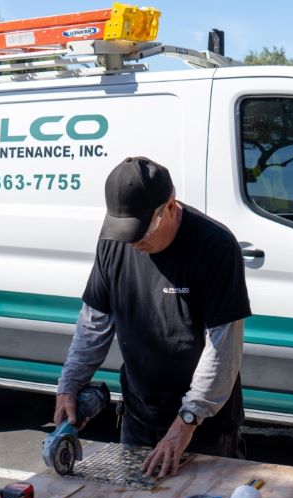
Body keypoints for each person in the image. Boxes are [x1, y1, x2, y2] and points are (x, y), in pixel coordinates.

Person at [54, 156, 251, 478]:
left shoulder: (215, 246)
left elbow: (223, 345)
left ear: (169, 206)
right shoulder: (115, 243)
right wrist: (69, 385)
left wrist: (187, 421)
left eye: (141, 234)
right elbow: (94, 324)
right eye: (125, 233)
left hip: (204, 424)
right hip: (139, 411)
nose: (133, 244)